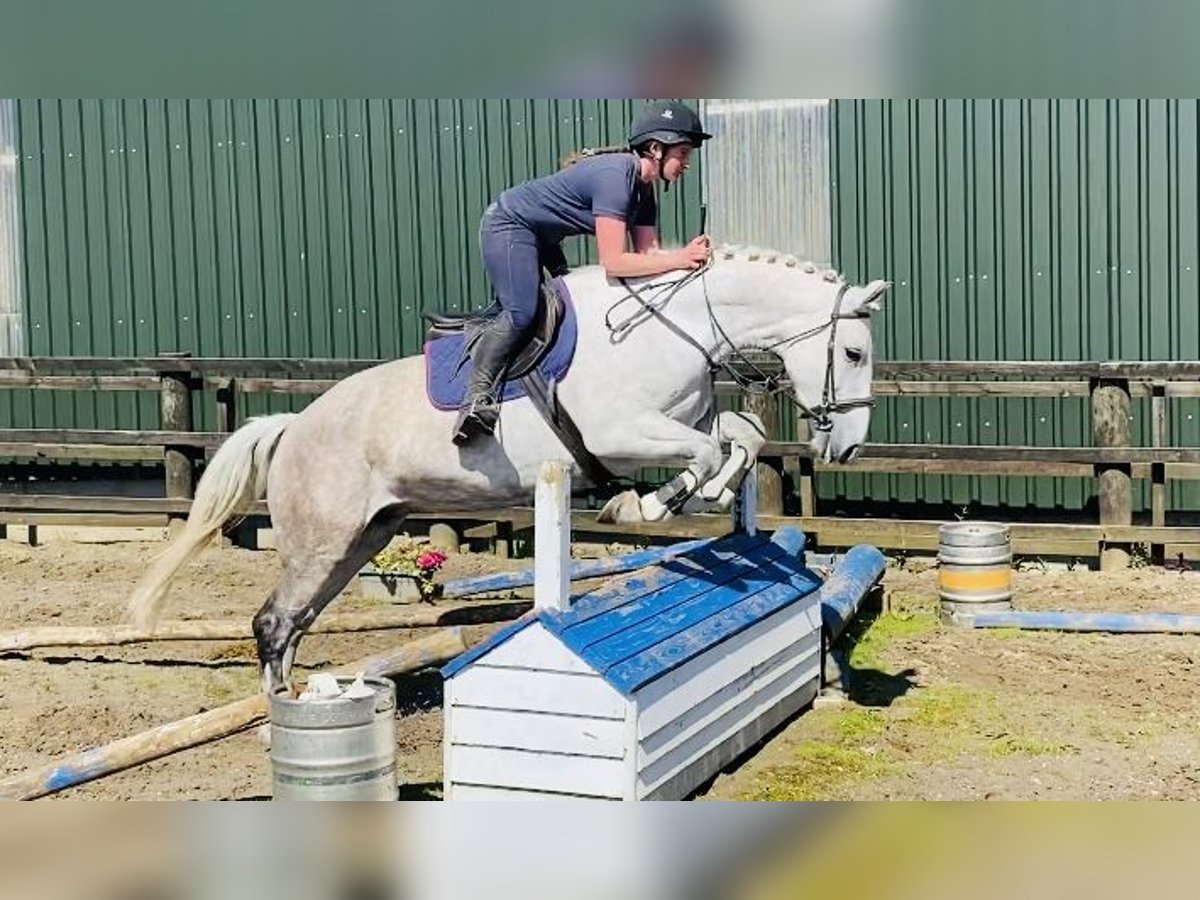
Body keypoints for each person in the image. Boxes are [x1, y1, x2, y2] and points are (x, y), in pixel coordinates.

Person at [452, 99, 714, 446]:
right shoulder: (615, 177)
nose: (686, 164)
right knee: (523, 312)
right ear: (655, 148)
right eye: (683, 152)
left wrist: (689, 262)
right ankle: (476, 397)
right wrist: (681, 257)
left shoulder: (644, 191)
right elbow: (615, 262)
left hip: (542, 237)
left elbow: (649, 256)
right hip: (509, 225)